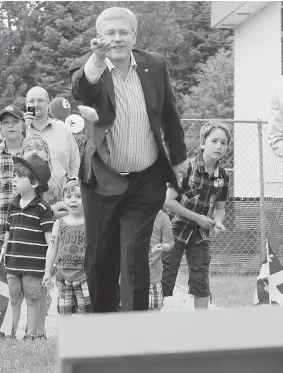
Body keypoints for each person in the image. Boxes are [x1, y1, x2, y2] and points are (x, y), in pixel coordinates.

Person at [69, 7, 187, 312]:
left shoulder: (155, 65)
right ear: (99, 38)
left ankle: (134, 336)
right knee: (100, 258)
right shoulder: (88, 65)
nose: (117, 39)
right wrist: (97, 60)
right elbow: (82, 90)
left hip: (146, 179)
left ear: (135, 36)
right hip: (102, 180)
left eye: (124, 32)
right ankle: (105, 330)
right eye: (110, 33)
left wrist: (178, 159)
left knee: (134, 256)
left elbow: (170, 114)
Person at [162, 121, 230, 310]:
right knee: (165, 278)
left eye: (224, 143)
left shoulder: (223, 176)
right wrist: (198, 218)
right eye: (214, 140)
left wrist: (217, 222)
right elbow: (168, 201)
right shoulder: (187, 169)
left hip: (199, 236)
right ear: (202, 143)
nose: (219, 146)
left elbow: (220, 208)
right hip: (173, 233)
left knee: (201, 281)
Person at [1, 154, 53, 340]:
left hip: (34, 266)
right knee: (13, 299)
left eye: (19, 176)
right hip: (13, 264)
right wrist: (3, 253)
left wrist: (50, 266)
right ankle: (10, 334)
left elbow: (50, 238)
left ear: (34, 183)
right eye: (14, 175)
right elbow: (8, 231)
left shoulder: (43, 208)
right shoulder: (13, 205)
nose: (14, 179)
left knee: (32, 300)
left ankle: (31, 335)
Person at [21, 133, 67, 340]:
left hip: (49, 242)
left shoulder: (57, 179)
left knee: (44, 285)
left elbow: (66, 208)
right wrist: (49, 211)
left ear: (48, 155)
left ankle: (39, 328)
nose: (35, 151)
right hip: (26, 240)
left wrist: (53, 212)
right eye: (29, 148)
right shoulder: (20, 180)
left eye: (40, 148)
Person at [42, 181, 91, 315]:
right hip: (62, 277)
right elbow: (51, 249)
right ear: (63, 200)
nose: (73, 201)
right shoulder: (59, 223)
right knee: (64, 312)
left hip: (84, 276)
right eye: (69, 197)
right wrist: (47, 271)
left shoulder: (90, 223)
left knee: (87, 311)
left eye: (78, 197)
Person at [24, 85, 80, 185]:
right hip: (30, 195)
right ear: (26, 104)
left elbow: (75, 163)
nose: (36, 104)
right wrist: (23, 129)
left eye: (40, 100)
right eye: (31, 101)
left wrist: (73, 183)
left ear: (48, 103)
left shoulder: (63, 129)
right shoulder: (21, 131)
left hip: (63, 195)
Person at [0, 105, 25, 286]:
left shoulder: (33, 151)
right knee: (3, 286)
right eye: (6, 122)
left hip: (29, 229)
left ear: (23, 124)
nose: (11, 126)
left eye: (15, 121)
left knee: (34, 287)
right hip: (1, 227)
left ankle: (39, 315)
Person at [148, 210, 174, 310]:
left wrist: (162, 247)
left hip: (152, 275)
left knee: (154, 311)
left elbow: (169, 242)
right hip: (130, 275)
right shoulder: (130, 213)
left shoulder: (162, 217)